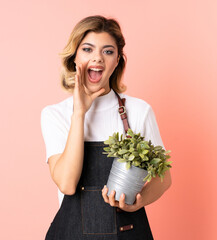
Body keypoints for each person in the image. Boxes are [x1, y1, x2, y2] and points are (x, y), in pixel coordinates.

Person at [41, 15, 172, 240]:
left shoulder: (139, 111)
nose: (98, 58)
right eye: (88, 49)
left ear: (118, 59)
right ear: (74, 57)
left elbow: (164, 178)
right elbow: (67, 184)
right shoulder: (55, 114)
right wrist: (79, 113)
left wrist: (138, 202)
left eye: (108, 51)